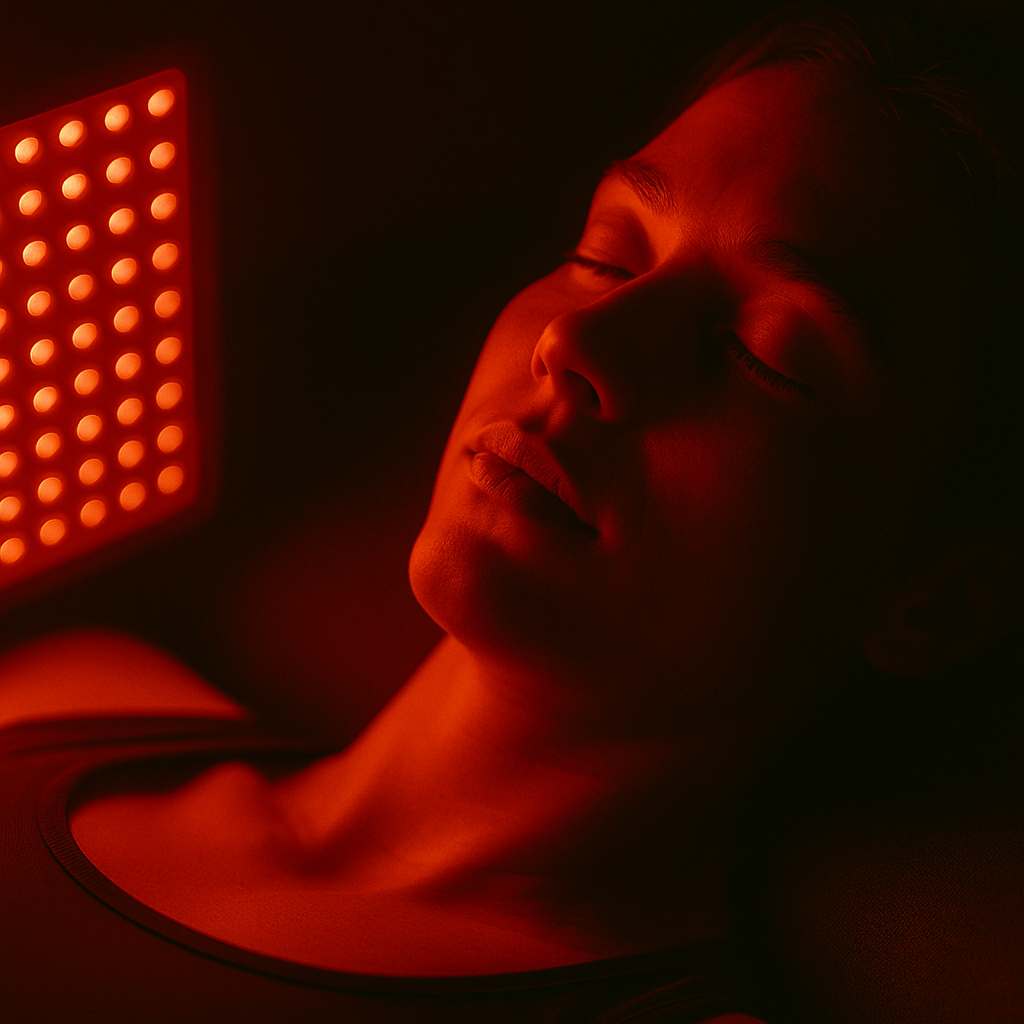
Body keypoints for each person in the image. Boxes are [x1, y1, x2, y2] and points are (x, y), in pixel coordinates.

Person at [2, 3, 1022, 1021]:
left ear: (931, 601)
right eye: (608, 255)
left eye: (766, 356)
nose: (582, 344)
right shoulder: (77, 684)